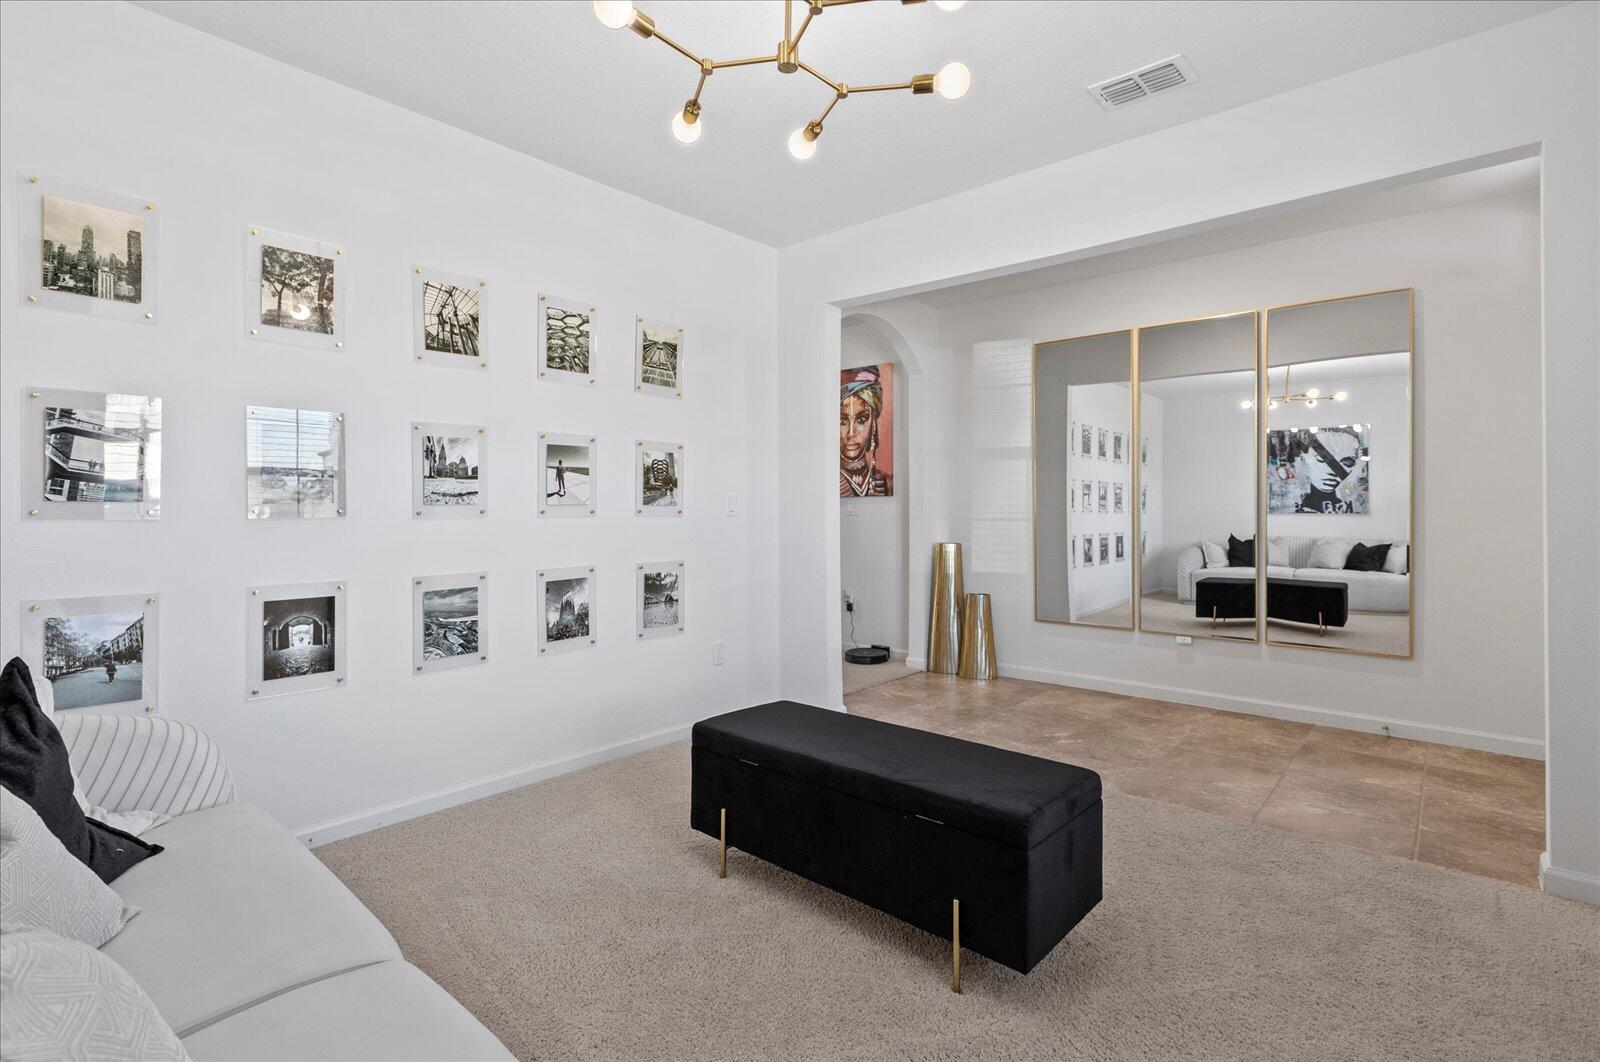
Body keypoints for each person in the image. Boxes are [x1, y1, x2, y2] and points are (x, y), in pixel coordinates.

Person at [840, 365, 893, 497]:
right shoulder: (824, 482)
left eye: (862, 420)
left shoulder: (888, 484)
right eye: (842, 421)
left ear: (873, 424)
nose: (851, 433)